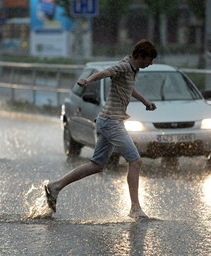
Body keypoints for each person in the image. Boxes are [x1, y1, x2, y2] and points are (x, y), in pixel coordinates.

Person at [44, 39, 158, 219]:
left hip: (108, 120)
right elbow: (105, 72)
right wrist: (88, 80)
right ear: (140, 56)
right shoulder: (123, 66)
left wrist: (145, 101)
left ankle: (55, 186)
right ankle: (135, 208)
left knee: (96, 165)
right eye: (150, 60)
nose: (151, 64)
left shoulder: (132, 69)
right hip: (111, 121)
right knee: (135, 161)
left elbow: (128, 88)